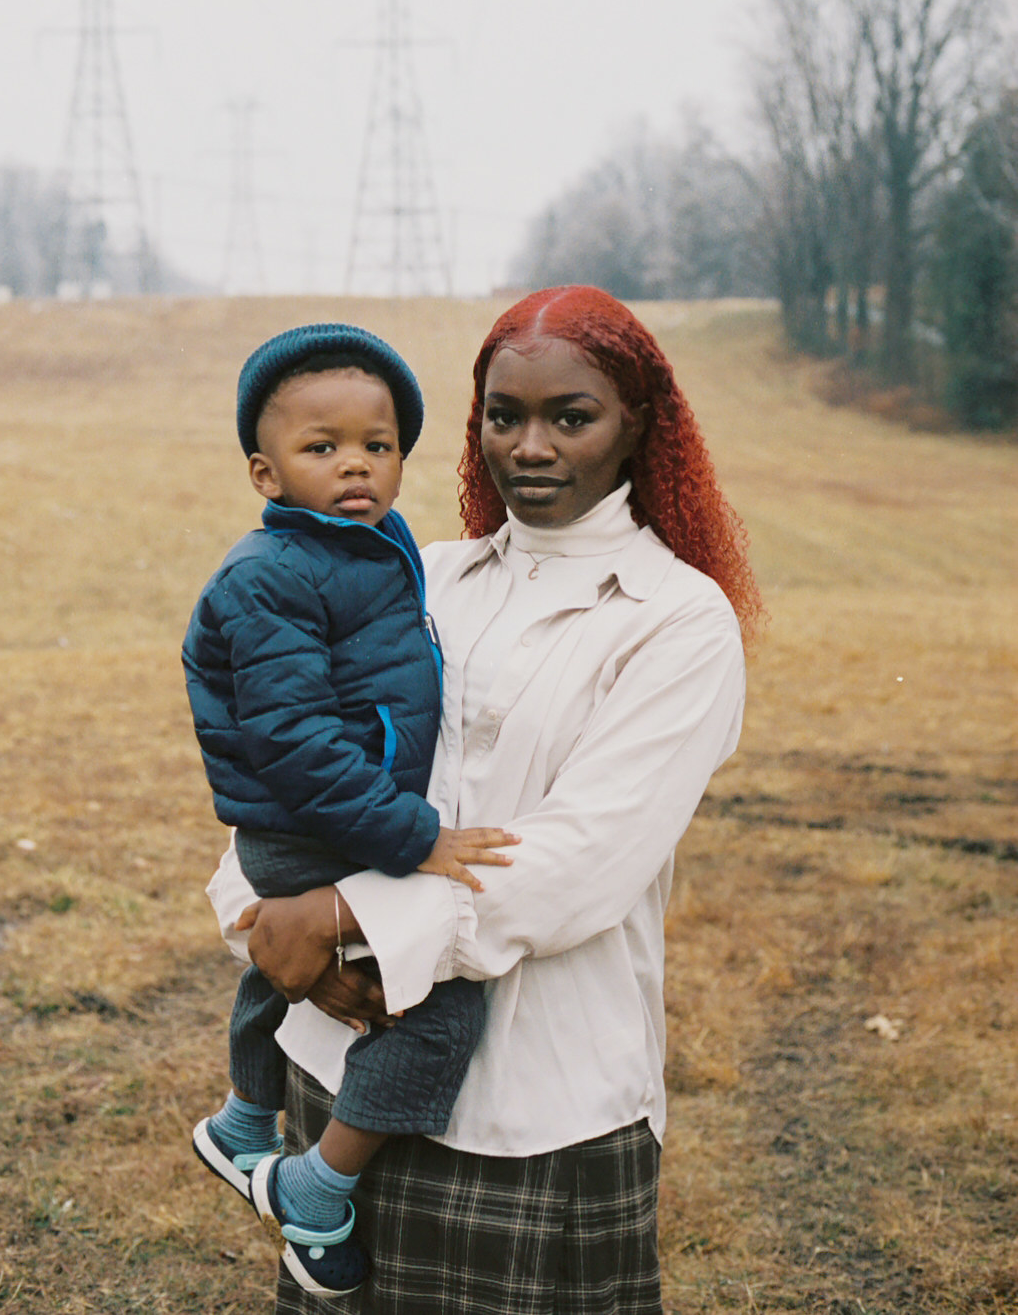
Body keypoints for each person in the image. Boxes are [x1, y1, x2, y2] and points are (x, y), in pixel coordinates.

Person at [209, 286, 763, 1315]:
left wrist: (337, 919)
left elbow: (574, 862)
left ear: (640, 422)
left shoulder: (678, 621)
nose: (531, 446)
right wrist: (262, 921)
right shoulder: (422, 575)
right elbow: (281, 751)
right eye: (503, 415)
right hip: (342, 1064)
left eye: (572, 415)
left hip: (536, 1107)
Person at [183, 323, 519, 1299]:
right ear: (265, 470)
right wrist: (414, 836)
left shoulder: (374, 546)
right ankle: (317, 1187)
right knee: (441, 1002)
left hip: (332, 817)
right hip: (314, 826)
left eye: (376, 445)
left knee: (292, 959)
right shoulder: (272, 576)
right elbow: (296, 745)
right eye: (320, 448)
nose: (355, 465)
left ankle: (244, 1121)